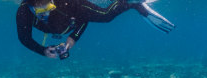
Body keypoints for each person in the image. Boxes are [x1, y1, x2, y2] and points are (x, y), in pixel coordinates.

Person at [16, 0, 175, 58]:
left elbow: (84, 19)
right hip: (60, 27)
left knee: (106, 16)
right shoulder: (24, 12)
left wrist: (73, 38)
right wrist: (43, 50)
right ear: (31, 7)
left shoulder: (67, 2)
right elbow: (24, 38)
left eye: (49, 6)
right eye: (41, 11)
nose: (47, 12)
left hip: (74, 7)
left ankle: (132, 3)